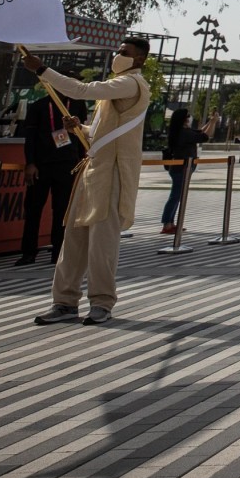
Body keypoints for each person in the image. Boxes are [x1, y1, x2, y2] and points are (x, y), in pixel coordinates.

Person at [22, 36, 152, 325]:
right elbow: (101, 132)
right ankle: (65, 302)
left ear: (139, 59)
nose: (118, 55)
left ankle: (102, 303)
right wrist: (80, 127)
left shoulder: (130, 83)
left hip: (114, 172)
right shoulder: (118, 85)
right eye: (119, 50)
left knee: (102, 244)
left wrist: (42, 70)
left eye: (124, 52)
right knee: (73, 240)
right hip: (94, 169)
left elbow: (81, 90)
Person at [14, 83, 81, 266]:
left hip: (67, 165)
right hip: (41, 165)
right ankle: (28, 252)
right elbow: (31, 137)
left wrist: (82, 162)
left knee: (61, 211)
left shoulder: (76, 105)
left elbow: (83, 135)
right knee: (33, 209)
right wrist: (31, 163)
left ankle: (58, 252)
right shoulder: (39, 106)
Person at [160, 107, 206, 235]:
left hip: (180, 167)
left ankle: (170, 223)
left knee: (177, 196)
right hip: (181, 168)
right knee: (175, 196)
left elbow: (200, 133)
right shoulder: (184, 133)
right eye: (187, 116)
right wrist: (212, 122)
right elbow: (204, 137)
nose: (189, 118)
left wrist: (211, 122)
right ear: (183, 119)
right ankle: (167, 224)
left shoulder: (180, 131)